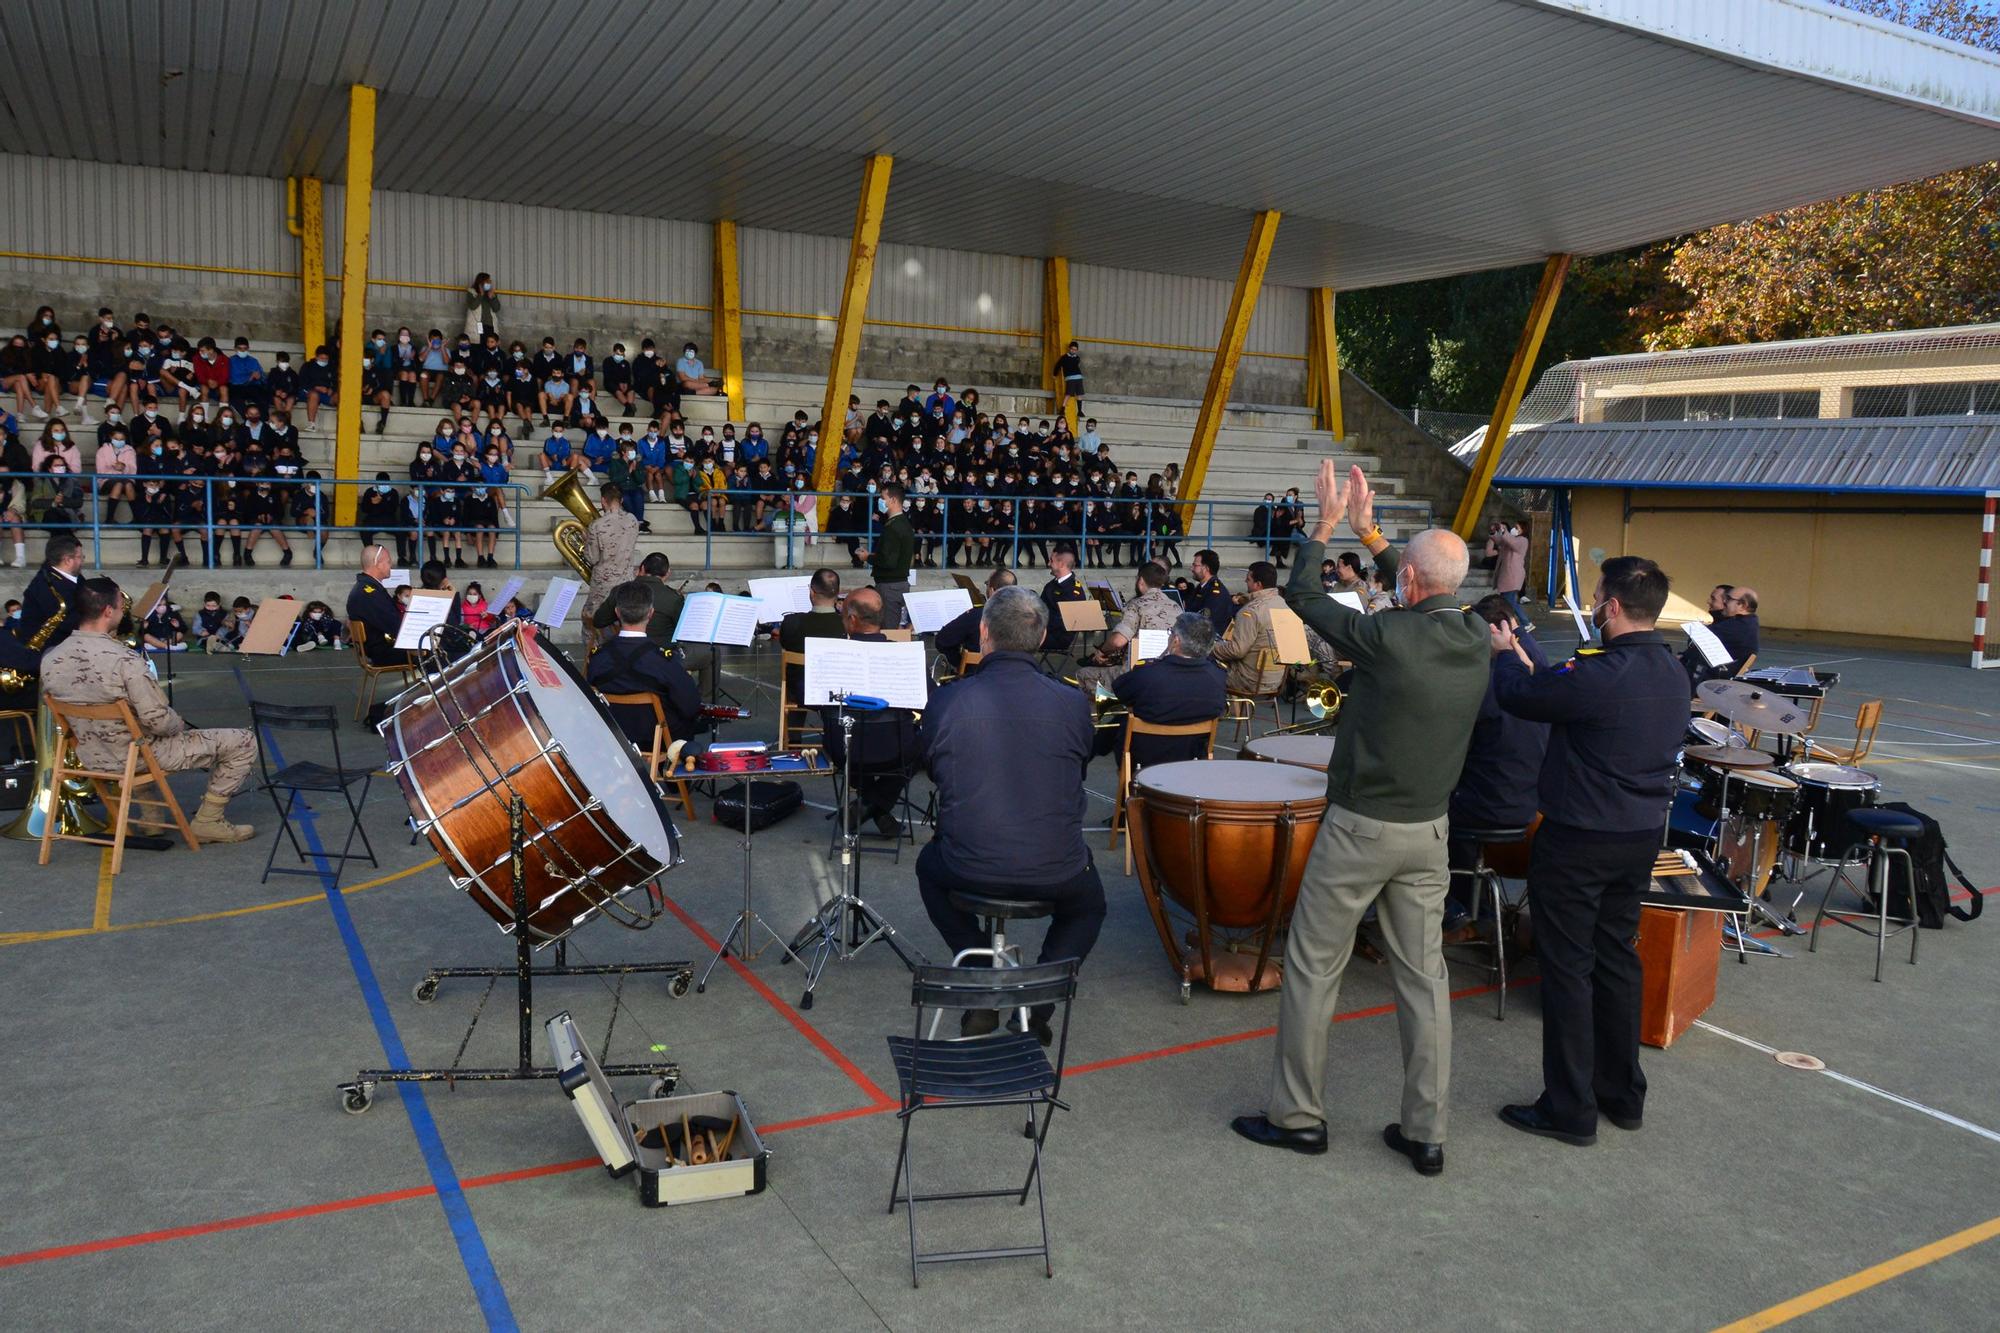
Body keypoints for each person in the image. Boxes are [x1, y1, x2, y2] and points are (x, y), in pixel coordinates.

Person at [1231, 464, 1489, 1178]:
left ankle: (1298, 1116)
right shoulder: (1473, 635)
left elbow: (1306, 594)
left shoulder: (1389, 638)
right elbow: (1426, 583)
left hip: (1361, 828)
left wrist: (1325, 522)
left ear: (1407, 585)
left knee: (1315, 966)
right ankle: (1427, 1131)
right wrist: (1373, 534)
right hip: (1430, 834)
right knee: (1424, 978)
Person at [1490, 556, 1687, 1148]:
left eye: (1598, 597)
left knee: (1569, 969)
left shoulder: (1604, 671)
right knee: (1617, 958)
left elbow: (1527, 699)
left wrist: (1504, 657)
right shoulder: (1671, 670)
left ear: (1614, 607)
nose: (1594, 606)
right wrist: (1530, 656)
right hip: (1639, 834)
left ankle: (1569, 1107)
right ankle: (1621, 1094)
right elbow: (1564, 691)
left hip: (1580, 836)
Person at [918, 586, 1102, 1041]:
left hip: (969, 864)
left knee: (928, 868)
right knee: (1089, 906)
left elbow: (931, 769)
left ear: (983, 634)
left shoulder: (947, 700)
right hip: (1055, 867)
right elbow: (1075, 768)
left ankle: (982, 973)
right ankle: (1041, 990)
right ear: (1041, 639)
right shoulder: (1073, 703)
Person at [40, 577, 255, 842]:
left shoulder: (51, 659)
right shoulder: (125, 661)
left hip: (91, 757)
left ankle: (152, 823)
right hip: (135, 756)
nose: (122, 612)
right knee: (243, 741)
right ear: (108, 611)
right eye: (120, 607)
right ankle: (208, 822)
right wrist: (179, 723)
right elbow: (159, 722)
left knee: (135, 738)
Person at [1444, 595, 1550, 934]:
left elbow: (1455, 751)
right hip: (1536, 808)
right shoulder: (1543, 671)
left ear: (1493, 632)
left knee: (1424, 819)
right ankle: (1481, 908)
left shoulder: (1486, 683)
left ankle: (1456, 911)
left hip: (1494, 811)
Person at [820, 587, 919, 838]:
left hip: (842, 749)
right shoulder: (904, 655)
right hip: (893, 750)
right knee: (924, 743)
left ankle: (866, 804)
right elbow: (926, 700)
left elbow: (809, 697)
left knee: (856, 748)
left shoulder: (828, 655)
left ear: (852, 620)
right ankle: (873, 806)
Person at [587, 581, 706, 754]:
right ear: (650, 613)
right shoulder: (664, 661)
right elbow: (691, 705)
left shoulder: (598, 658)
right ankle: (676, 781)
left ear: (617, 613)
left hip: (614, 740)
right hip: (658, 743)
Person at [1103, 611, 1227, 767]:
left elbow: (1119, 690)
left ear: (1175, 641)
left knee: (1123, 720)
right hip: (1193, 760)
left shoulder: (1148, 673)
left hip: (1145, 760)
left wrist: (1158, 662)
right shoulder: (1218, 677)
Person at [1076, 560, 1179, 691]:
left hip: (1137, 674)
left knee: (1083, 675)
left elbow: (1118, 641)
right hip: (1168, 673)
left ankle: (1110, 710)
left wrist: (1102, 651)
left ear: (1141, 581)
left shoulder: (1136, 605)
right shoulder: (1176, 607)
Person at [1212, 561, 1287, 698]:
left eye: (1248, 580)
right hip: (1276, 680)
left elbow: (1237, 650)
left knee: (1204, 666)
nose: (1245, 582)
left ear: (1258, 585)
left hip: (1249, 680)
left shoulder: (1250, 612)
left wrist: (1210, 647)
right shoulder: (1284, 605)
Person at [580, 483, 640, 635]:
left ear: (603, 500)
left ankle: (593, 656)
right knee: (621, 623)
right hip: (627, 582)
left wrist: (587, 541)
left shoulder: (597, 525)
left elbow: (592, 558)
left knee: (589, 622)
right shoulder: (633, 520)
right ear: (621, 500)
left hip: (603, 586)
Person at [856, 482, 914, 630]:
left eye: (883, 498)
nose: (880, 501)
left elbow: (888, 561)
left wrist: (867, 557)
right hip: (895, 584)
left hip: (890, 586)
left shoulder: (893, 527)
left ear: (893, 500)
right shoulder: (902, 523)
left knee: (888, 631)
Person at [934, 568, 1012, 674]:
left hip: (976, 677)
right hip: (1017, 677)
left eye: (987, 584)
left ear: (992, 590)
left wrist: (960, 661)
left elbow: (942, 641)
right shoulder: (1025, 617)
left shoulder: (977, 615)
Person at [1038, 543, 1091, 654]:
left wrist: (1037, 626)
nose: (1048, 564)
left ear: (1061, 564)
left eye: (1051, 561)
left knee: (1017, 639)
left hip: (1058, 637)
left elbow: (1065, 621)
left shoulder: (1073, 591)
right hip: (1043, 631)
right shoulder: (1050, 585)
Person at [1179, 549, 1235, 637]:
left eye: (1195, 565)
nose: (1191, 568)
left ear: (1206, 568)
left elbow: (1207, 624)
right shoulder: (1201, 587)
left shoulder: (1215, 593)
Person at [1487, 522, 1529, 619]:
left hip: (1513, 576)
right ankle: (1511, 621)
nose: (1513, 529)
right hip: (1507, 576)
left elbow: (1511, 542)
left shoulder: (1523, 541)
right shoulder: (1511, 540)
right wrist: (1494, 531)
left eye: (1516, 527)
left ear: (1523, 529)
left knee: (1507, 602)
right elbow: (1500, 541)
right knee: (1508, 601)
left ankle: (1524, 622)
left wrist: (1503, 530)